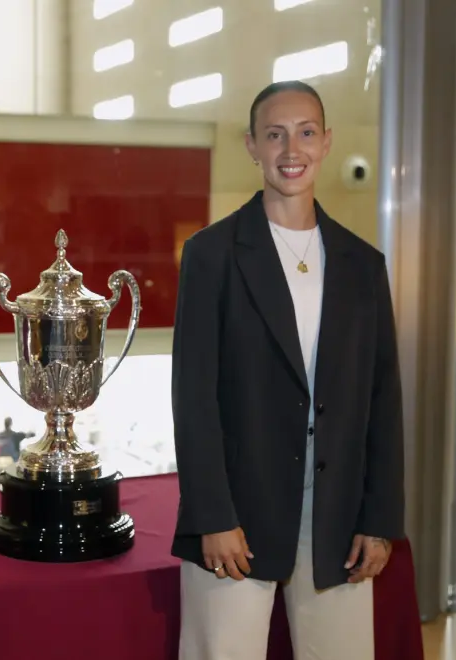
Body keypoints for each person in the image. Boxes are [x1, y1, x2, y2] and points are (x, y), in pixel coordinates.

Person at [171, 81, 404, 659]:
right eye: (274, 134)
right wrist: (212, 516)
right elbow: (193, 397)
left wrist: (380, 518)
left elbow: (384, 398)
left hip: (338, 512)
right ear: (252, 145)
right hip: (237, 513)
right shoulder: (211, 254)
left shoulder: (362, 264)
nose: (290, 148)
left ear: (326, 142)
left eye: (305, 132)